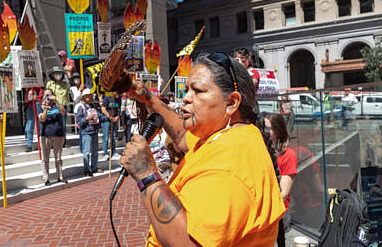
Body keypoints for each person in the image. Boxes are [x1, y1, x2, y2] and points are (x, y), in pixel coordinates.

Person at [119, 52, 285, 246]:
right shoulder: (224, 133)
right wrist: (148, 99)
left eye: (197, 90)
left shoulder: (230, 165)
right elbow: (182, 137)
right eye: (187, 90)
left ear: (231, 103)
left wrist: (146, 175)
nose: (186, 98)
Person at [265, 113, 298, 246]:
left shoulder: (289, 155)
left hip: (277, 214)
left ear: (278, 131)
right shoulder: (261, 151)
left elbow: (283, 194)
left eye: (268, 128)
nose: (264, 132)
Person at [37, 88, 67, 186]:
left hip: (58, 134)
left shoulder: (56, 105)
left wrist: (56, 101)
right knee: (45, 159)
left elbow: (63, 112)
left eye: (50, 95)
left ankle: (60, 176)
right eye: (46, 95)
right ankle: (46, 179)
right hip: (46, 135)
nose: (48, 97)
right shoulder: (40, 106)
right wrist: (46, 108)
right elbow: (42, 119)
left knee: (58, 158)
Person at [76, 89, 107, 176]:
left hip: (95, 131)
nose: (88, 97)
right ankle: (86, 169)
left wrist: (108, 117)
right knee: (86, 151)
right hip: (86, 132)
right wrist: (87, 118)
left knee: (95, 151)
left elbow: (100, 117)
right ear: (83, 97)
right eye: (86, 96)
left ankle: (94, 167)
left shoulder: (94, 107)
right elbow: (79, 122)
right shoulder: (81, 107)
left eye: (89, 96)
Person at [46, 66, 70, 147]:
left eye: (59, 73)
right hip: (54, 107)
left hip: (63, 107)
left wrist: (67, 106)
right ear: (52, 75)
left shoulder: (65, 84)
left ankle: (63, 142)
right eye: (56, 73)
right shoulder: (50, 84)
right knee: (54, 125)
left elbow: (66, 96)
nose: (57, 75)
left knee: (63, 125)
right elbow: (47, 96)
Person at [100, 92, 121, 160]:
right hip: (106, 120)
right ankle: (105, 153)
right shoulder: (107, 98)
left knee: (113, 137)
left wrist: (117, 117)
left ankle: (113, 152)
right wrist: (109, 116)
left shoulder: (118, 99)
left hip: (114, 120)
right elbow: (103, 109)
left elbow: (118, 109)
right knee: (106, 137)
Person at [24, 87, 43, 152]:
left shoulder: (40, 88)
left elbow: (42, 97)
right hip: (30, 106)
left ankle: (41, 144)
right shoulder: (28, 88)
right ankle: (29, 145)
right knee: (30, 126)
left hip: (38, 106)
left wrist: (36, 98)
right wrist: (29, 95)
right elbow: (26, 99)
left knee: (39, 126)